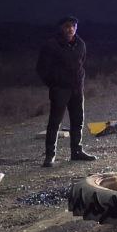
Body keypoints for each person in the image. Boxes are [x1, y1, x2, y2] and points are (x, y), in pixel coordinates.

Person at [37, 16, 95, 167]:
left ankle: (76, 152)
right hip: (60, 90)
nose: (71, 29)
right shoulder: (52, 45)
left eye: (73, 26)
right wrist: (54, 84)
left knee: (78, 121)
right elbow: (42, 69)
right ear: (61, 28)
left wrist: (80, 82)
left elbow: (82, 62)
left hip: (77, 89)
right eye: (67, 26)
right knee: (54, 123)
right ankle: (50, 156)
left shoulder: (80, 44)